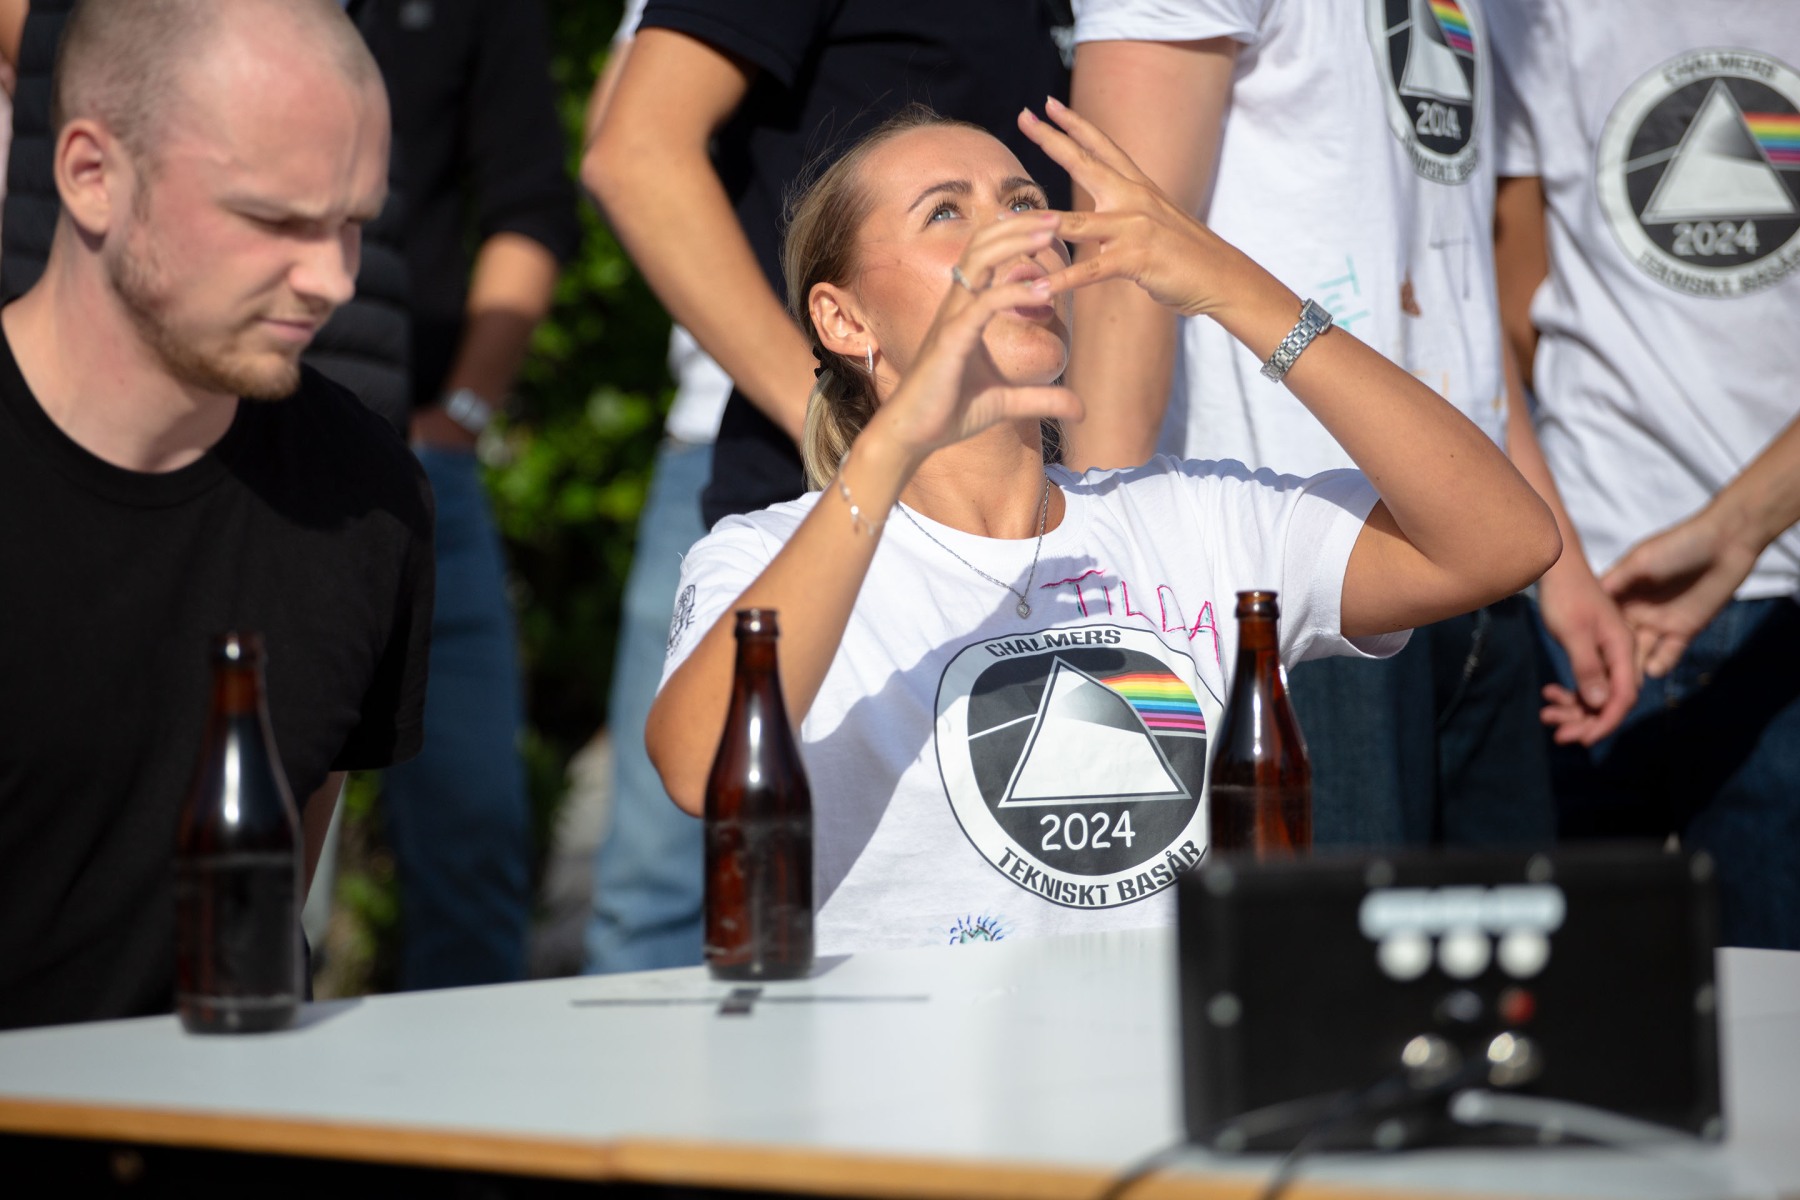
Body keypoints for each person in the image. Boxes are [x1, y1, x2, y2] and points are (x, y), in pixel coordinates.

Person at [646, 104, 1561, 953]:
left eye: (1023, 203)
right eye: (946, 212)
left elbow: (1504, 542)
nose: (1017, 235)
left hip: (1176, 1066)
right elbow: (699, 772)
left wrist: (1233, 287)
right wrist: (891, 451)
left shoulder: (1193, 515)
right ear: (844, 320)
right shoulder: (766, 553)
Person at [582, 0, 1070, 972]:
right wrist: (853, 424)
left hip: (1010, 489)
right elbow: (631, 150)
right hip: (804, 476)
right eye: (950, 210)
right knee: (681, 887)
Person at [0, 0, 433, 1030]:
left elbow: (265, 911)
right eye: (274, 221)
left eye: (353, 222)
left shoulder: (365, 501)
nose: (332, 279)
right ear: (91, 175)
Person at [1061, 0, 1582, 850]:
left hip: (1478, 546)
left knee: (1501, 935)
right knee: (1329, 936)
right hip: (1302, 573)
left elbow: (1455, 297)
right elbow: (1125, 266)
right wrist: (1105, 619)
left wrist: (1565, 567)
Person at [1489, 1, 1800, 949]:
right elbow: (1504, 288)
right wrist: (1560, 552)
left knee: (1776, 1015)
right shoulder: (1531, 13)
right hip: (1579, 593)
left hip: (1782, 617)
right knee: (1569, 994)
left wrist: (1740, 525)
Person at [356, 0, 578, 990]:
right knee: (246, 865)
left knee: (475, 839)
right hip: (228, 449)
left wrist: (461, 414)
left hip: (419, 467)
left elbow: (532, 206)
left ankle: (461, 1095)